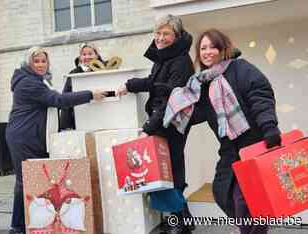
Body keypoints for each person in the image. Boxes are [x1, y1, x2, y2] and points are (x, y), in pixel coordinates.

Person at [164, 28, 282, 234]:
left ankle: (252, 229)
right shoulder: (201, 82)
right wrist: (174, 106)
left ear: (222, 48)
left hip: (253, 143)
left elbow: (260, 96)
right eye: (203, 48)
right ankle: (250, 226)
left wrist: (269, 127)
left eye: (212, 46)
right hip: (229, 148)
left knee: (244, 199)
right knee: (221, 192)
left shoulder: (240, 69)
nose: (207, 52)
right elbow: (196, 114)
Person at [6, 46, 104, 234]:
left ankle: (25, 224)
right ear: (29, 63)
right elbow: (57, 100)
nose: (41, 65)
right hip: (24, 136)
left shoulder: (39, 80)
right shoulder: (28, 83)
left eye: (44, 61)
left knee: (28, 179)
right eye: (36, 61)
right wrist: (90, 95)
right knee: (24, 180)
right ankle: (17, 227)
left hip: (31, 135)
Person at [117, 15, 195, 234]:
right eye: (158, 33)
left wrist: (150, 126)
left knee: (172, 169)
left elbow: (170, 97)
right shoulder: (165, 57)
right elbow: (155, 84)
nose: (160, 38)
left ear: (176, 36)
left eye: (166, 34)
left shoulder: (180, 61)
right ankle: (183, 219)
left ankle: (179, 221)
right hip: (165, 121)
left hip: (171, 122)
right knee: (168, 169)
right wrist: (130, 85)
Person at [60, 43, 105, 130]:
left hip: (102, 115)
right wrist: (65, 125)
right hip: (81, 118)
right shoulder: (73, 74)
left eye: (90, 54)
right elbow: (65, 97)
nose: (87, 57)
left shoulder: (105, 70)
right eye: (84, 54)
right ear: (80, 57)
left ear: (96, 55)